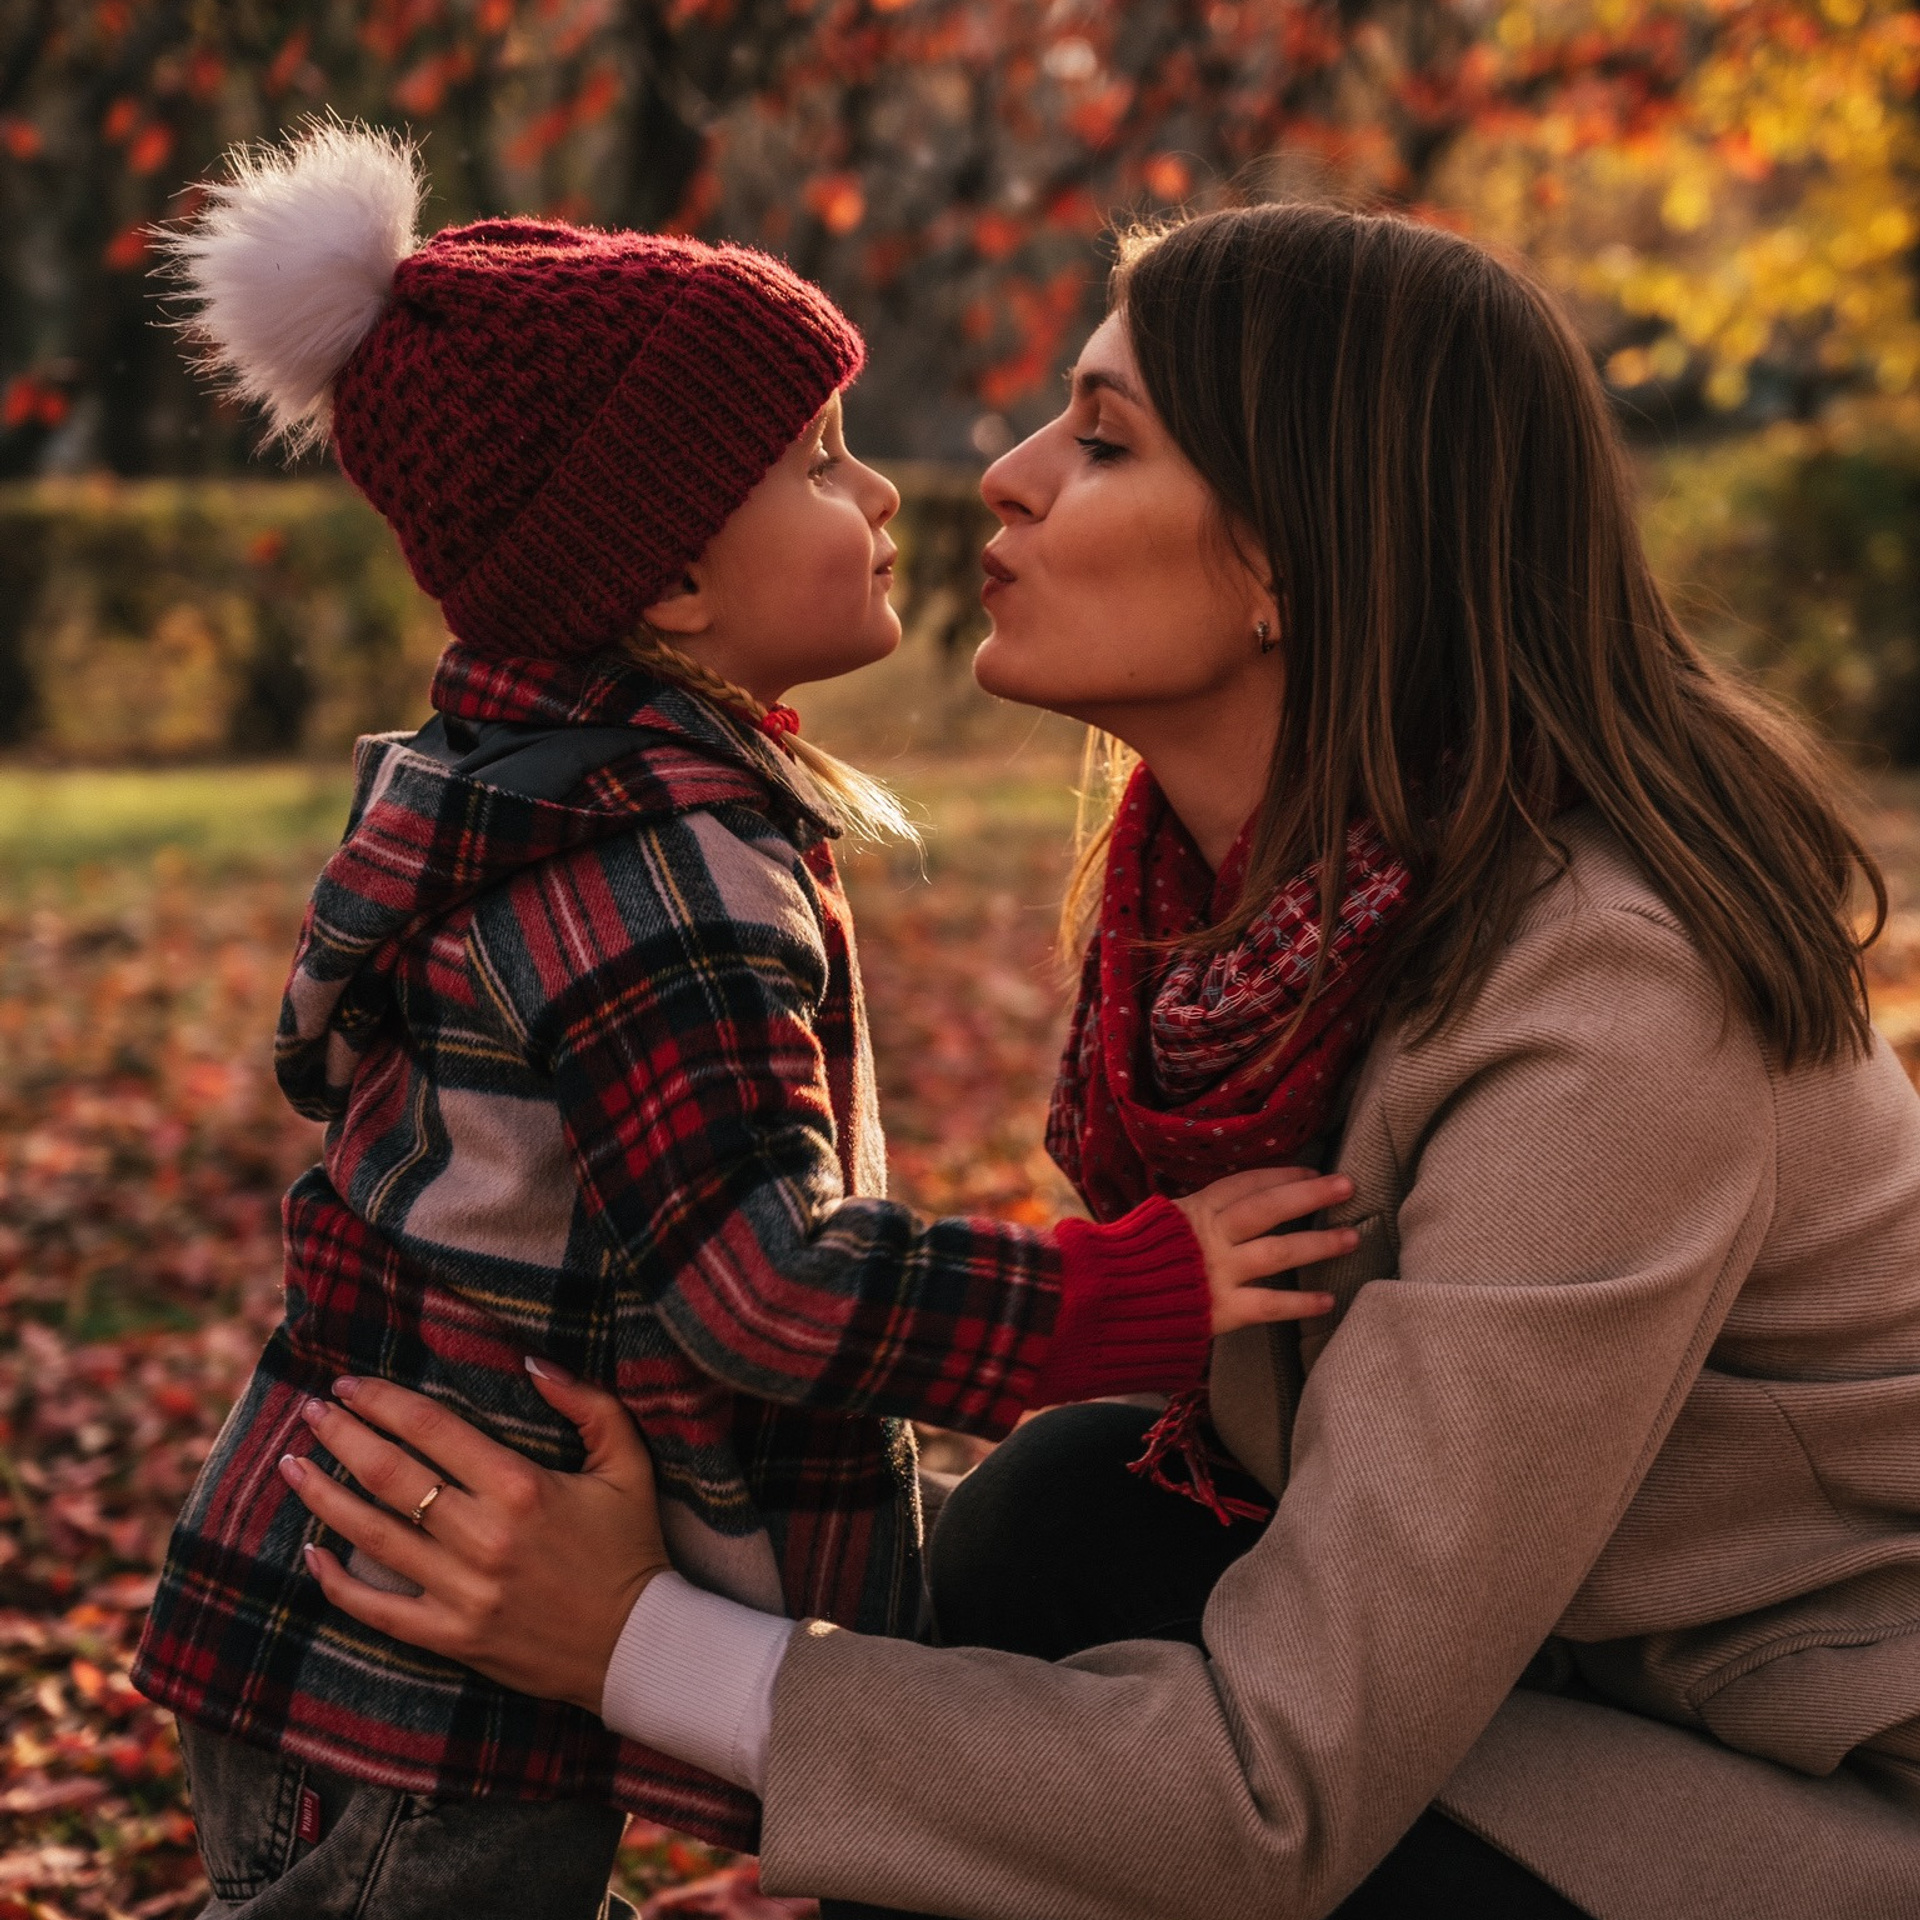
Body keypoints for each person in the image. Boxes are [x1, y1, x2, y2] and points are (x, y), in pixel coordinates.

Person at [284, 201, 1920, 1920]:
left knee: (1114, 1668)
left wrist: (633, 1642)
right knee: (1070, 1508)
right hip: (1553, 1686)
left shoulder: (1614, 1020)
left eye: (1105, 437)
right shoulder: (1242, 916)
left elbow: (1273, 1798)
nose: (1000, 472)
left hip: (1824, 1819)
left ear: (1294, 555)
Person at [130, 129, 1355, 1920]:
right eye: (820, 461)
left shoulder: (566, 796)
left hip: (384, 1615)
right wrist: (1114, 1300)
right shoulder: (656, 869)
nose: (884, 501)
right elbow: (763, 1282)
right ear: (672, 582)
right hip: (424, 1668)